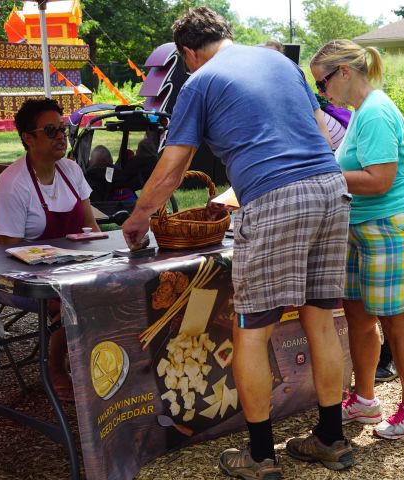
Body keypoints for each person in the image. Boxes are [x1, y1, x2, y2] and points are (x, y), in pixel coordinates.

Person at [122, 8, 352, 479]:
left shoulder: (199, 82)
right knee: (321, 319)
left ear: (187, 53)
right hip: (330, 187)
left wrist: (139, 217)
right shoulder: (281, 63)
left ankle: (261, 456)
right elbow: (323, 129)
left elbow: (171, 170)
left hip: (275, 199)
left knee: (253, 329)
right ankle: (331, 438)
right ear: (224, 35)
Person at [310, 39, 404, 440]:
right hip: (363, 227)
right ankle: (364, 400)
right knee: (359, 319)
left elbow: (380, 181)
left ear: (344, 73)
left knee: (398, 322)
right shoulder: (362, 113)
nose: (323, 93)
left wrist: (321, 176)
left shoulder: (377, 112)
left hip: (394, 225)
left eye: (323, 83)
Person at [0, 99, 101, 401]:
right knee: (69, 301)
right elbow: (9, 252)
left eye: (63, 129)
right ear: (28, 138)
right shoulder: (12, 184)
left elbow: (91, 226)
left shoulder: (70, 170)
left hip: (68, 267)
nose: (61, 136)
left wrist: (101, 262)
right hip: (19, 279)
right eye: (50, 130)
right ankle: (56, 368)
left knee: (111, 288)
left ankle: (97, 360)